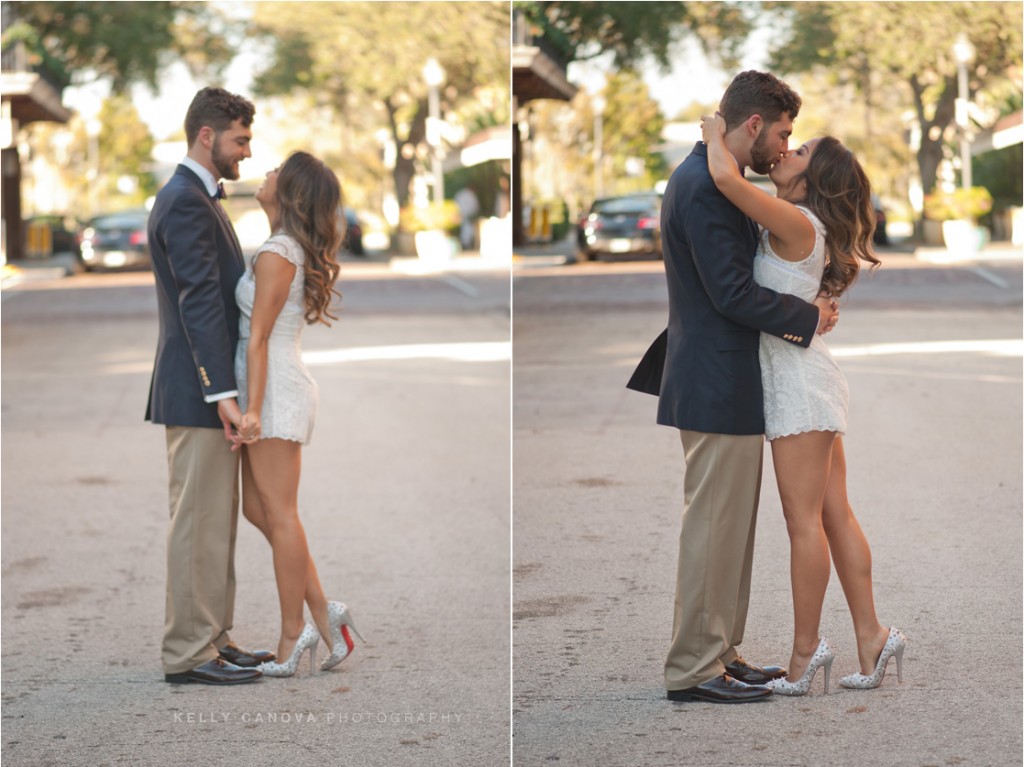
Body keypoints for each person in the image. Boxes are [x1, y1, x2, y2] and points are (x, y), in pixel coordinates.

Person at [627, 71, 840, 704]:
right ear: (752, 125)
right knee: (713, 527)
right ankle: (694, 667)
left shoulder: (717, 178)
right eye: (781, 133)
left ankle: (720, 650)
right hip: (715, 379)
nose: (782, 146)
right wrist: (808, 318)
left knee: (729, 530)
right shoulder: (706, 187)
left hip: (727, 380)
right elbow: (732, 293)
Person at [700, 110, 906, 696]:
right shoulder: (800, 223)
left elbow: (725, 180)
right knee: (833, 514)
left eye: (801, 150)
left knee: (803, 523)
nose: (786, 152)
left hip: (798, 386)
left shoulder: (796, 221)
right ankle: (872, 634)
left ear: (814, 181)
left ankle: (805, 651)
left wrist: (715, 129)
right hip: (805, 376)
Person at [147, 87, 272, 685]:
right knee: (196, 522)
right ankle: (187, 654)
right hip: (198, 391)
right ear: (207, 136)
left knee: (214, 521)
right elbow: (199, 302)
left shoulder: (198, 196)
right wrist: (221, 392)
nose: (246, 151)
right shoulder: (185, 200)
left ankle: (214, 637)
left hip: (207, 391)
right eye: (240, 139)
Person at [230, 151, 363, 678]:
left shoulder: (279, 252)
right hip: (269, 386)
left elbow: (258, 338)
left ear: (290, 194)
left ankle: (294, 634)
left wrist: (253, 411)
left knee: (279, 513)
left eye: (276, 172)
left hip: (275, 392)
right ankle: (326, 614)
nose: (265, 174)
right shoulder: (279, 247)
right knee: (260, 512)